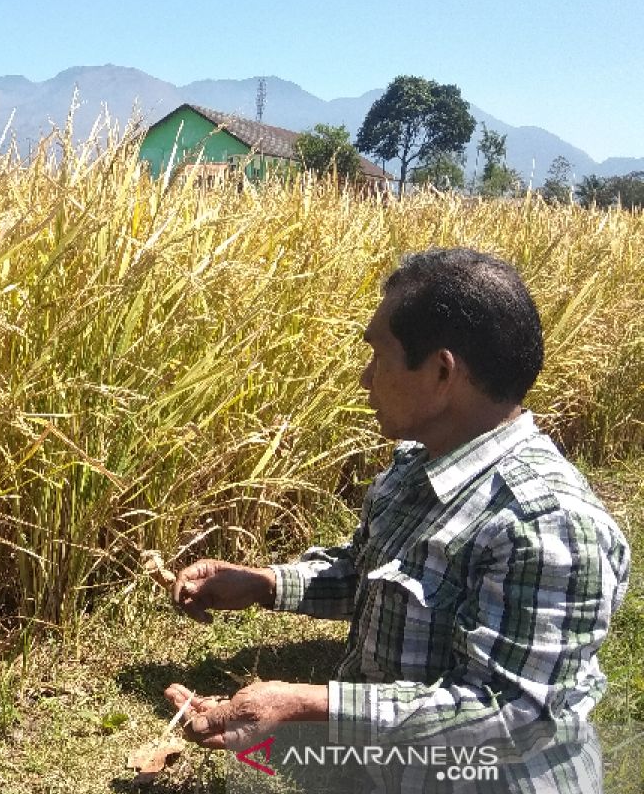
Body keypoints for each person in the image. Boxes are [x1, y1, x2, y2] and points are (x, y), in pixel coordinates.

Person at [165, 248, 631, 791]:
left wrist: (303, 704)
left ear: (440, 371)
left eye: (379, 356)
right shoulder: (419, 464)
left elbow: (512, 713)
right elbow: (374, 573)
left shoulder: (546, 523)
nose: (366, 378)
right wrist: (263, 584)